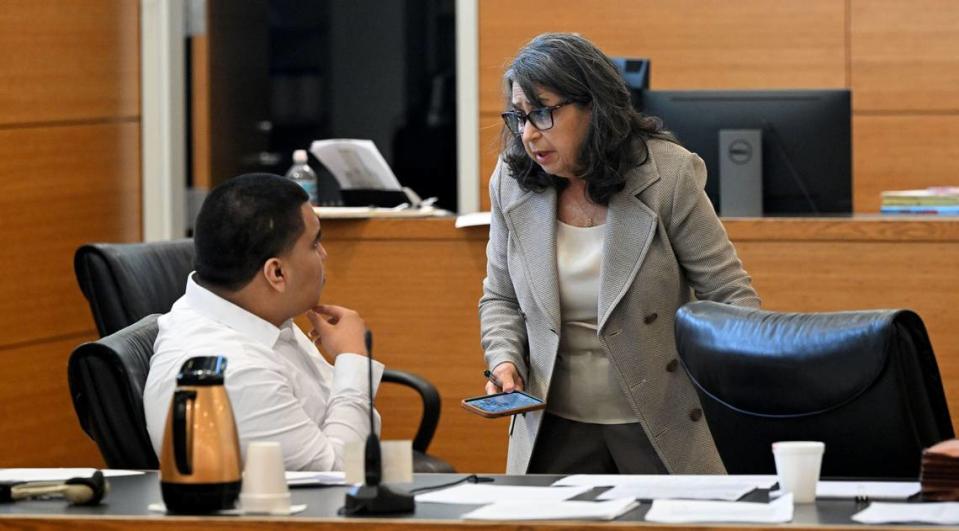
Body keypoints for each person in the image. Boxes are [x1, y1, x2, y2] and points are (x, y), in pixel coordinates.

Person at [479, 33, 761, 475]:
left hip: (659, 422)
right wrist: (505, 361)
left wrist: (734, 403)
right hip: (552, 425)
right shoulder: (512, 181)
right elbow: (500, 298)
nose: (529, 133)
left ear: (593, 107)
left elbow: (731, 296)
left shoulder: (667, 174)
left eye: (543, 113)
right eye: (519, 117)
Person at [144, 173, 382, 471]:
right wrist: (354, 360)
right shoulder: (236, 373)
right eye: (315, 243)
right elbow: (341, 475)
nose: (324, 254)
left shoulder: (252, 312)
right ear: (276, 273)